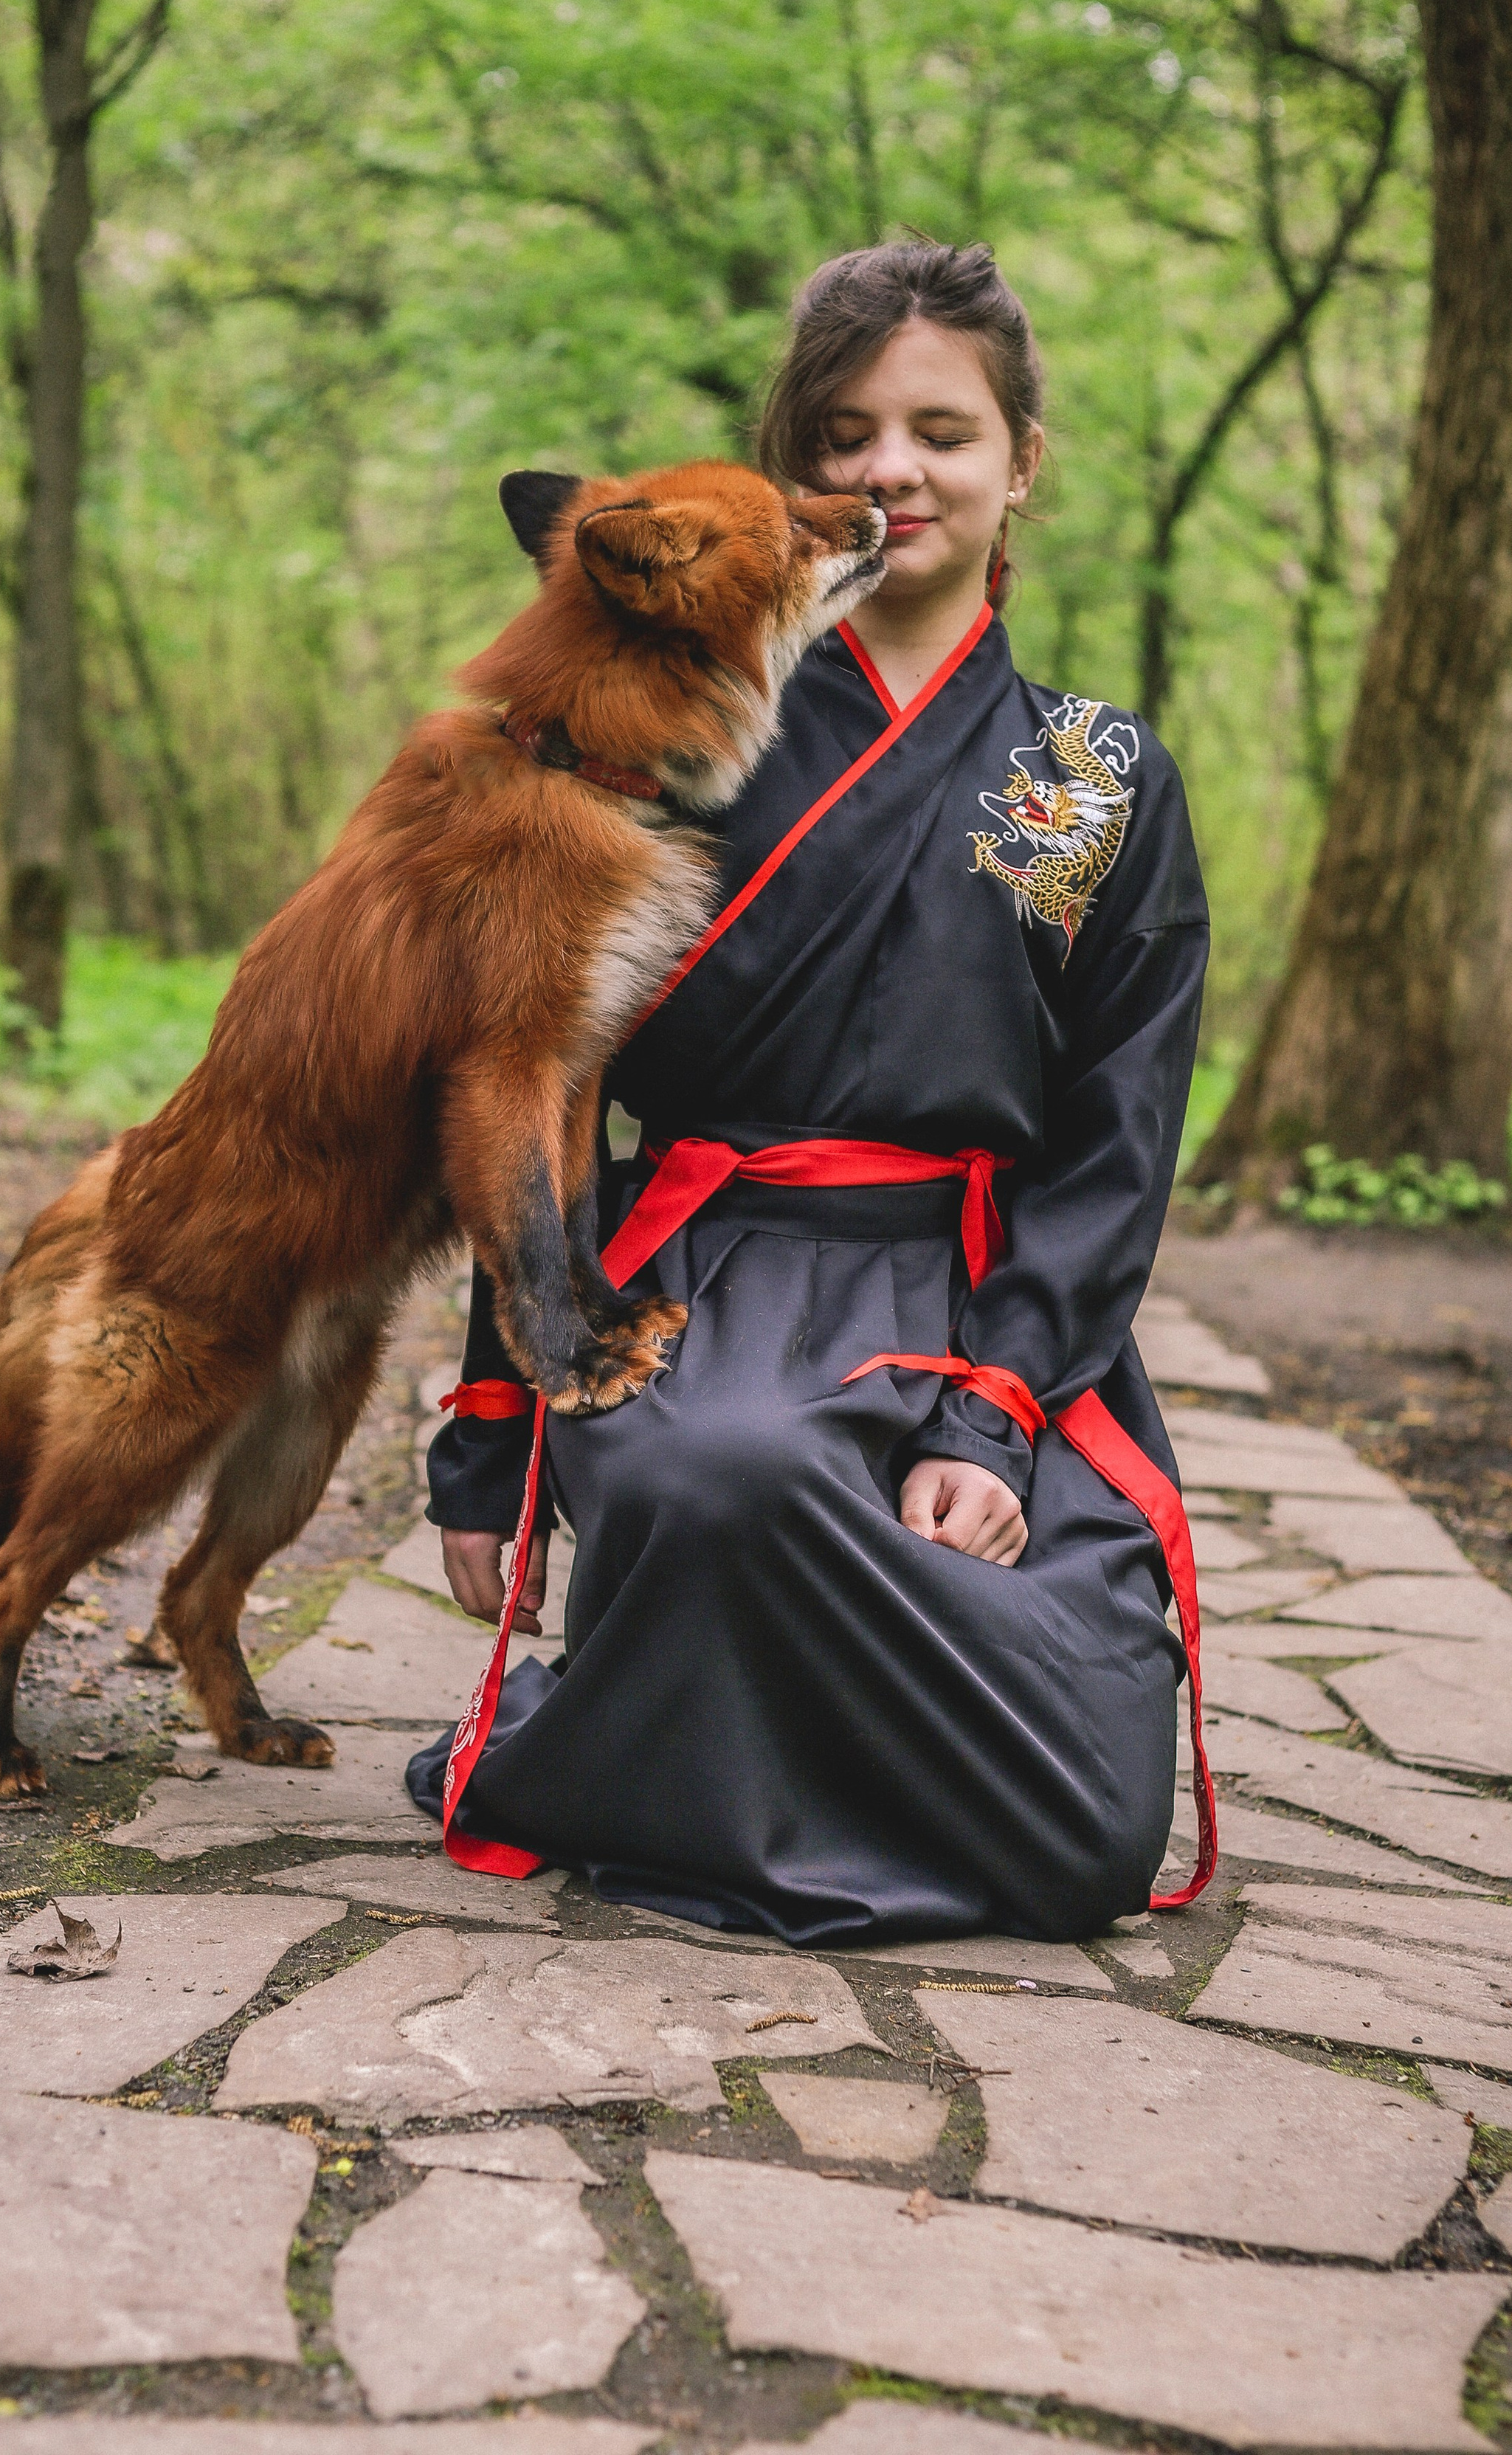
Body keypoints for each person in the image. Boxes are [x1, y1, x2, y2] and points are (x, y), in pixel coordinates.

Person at [407, 240, 1212, 1947]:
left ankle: (639, 1736)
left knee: (1088, 1826)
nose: (889, 471)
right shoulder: (675, 741)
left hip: (984, 1312)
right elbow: (539, 1073)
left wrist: (996, 1411)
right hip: (704, 1277)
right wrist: (499, 1410)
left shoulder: (1088, 773)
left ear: (1017, 468)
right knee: (741, 1476)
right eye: (841, 433)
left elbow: (1117, 1131)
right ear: (791, 468)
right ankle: (650, 1717)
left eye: (940, 430)